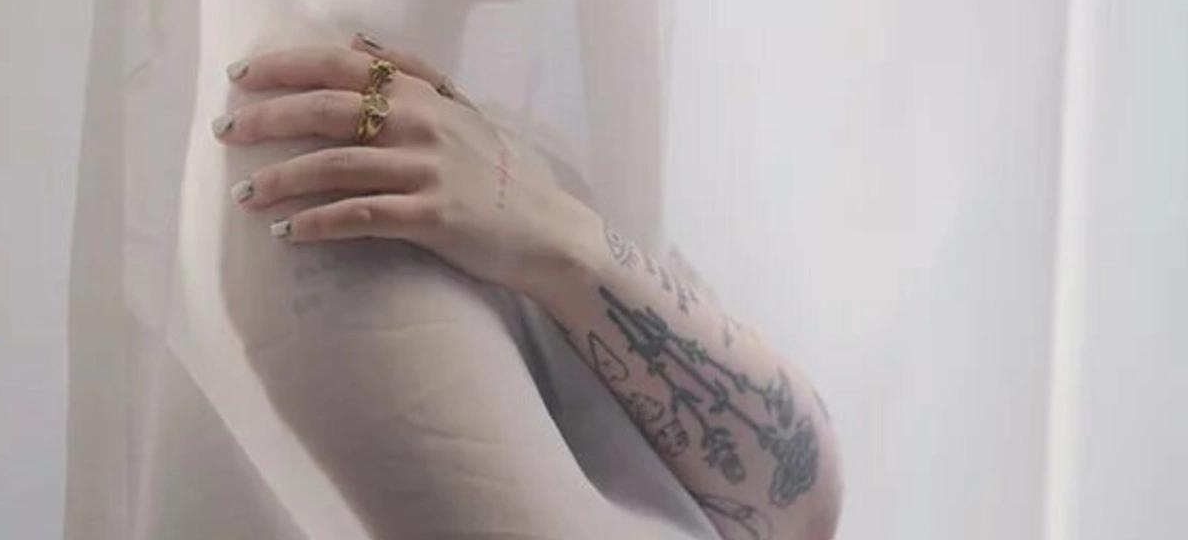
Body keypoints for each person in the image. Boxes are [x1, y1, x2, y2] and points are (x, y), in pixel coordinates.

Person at [210, 33, 844, 540]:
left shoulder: (493, 156)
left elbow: (799, 505)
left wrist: (550, 232)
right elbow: (794, 506)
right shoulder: (349, 173)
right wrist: (552, 234)